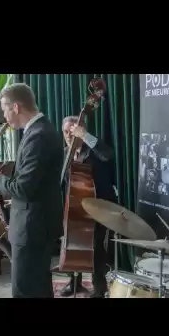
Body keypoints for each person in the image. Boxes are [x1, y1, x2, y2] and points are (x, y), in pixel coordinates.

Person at [0, 83, 64, 299]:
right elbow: (36, 186)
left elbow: (23, 188)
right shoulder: (40, 130)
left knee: (25, 291)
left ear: (16, 107)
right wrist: (13, 203)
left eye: (4, 110)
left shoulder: (38, 136)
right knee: (38, 288)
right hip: (36, 222)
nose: (3, 117)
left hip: (33, 228)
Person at [60, 116, 117, 298]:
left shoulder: (93, 150)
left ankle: (99, 287)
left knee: (96, 247)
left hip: (98, 205)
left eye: (72, 131)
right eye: (65, 132)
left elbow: (108, 155)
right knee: (70, 243)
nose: (68, 135)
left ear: (81, 130)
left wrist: (85, 136)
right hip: (74, 206)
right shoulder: (65, 153)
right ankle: (74, 282)